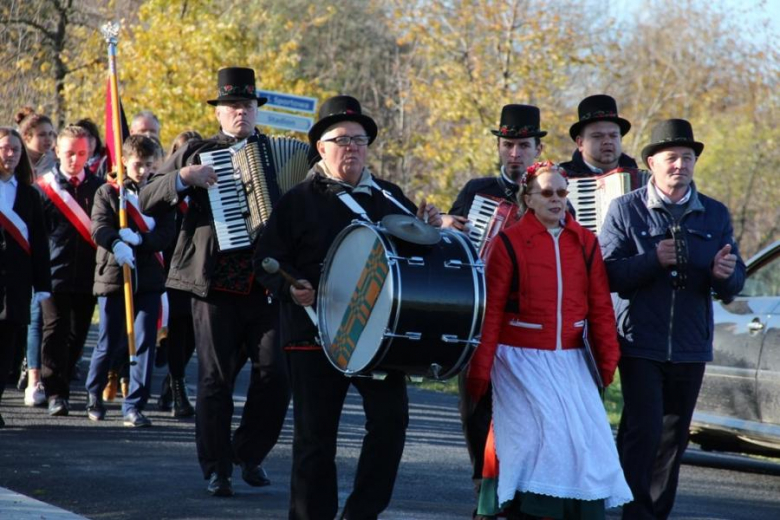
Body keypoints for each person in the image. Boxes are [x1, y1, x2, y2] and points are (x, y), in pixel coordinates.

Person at [255, 94, 442, 520]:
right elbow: (265, 261)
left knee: (391, 424)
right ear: (321, 147)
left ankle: (362, 513)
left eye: (360, 140)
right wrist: (291, 288)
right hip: (314, 334)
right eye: (342, 140)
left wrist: (430, 230)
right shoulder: (297, 200)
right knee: (315, 439)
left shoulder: (392, 197)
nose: (353, 147)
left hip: (379, 337)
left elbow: (415, 261)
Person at [139, 67, 290, 497]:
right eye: (232, 106)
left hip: (265, 288)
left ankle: (246, 451)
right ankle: (216, 467)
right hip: (214, 289)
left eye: (247, 105)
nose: (240, 112)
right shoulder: (196, 151)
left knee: (277, 376)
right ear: (220, 113)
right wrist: (183, 179)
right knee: (214, 381)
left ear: (257, 110)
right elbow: (146, 196)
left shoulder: (278, 154)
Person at [466, 161, 631, 519]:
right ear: (528, 198)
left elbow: (600, 306)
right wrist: (480, 370)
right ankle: (522, 509)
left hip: (570, 358)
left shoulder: (585, 242)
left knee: (586, 441)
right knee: (538, 439)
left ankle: (572, 510)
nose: (557, 199)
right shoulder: (507, 243)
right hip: (519, 356)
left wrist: (606, 362)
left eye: (561, 192)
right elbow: (491, 310)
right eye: (547, 193)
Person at [599, 119, 746, 520]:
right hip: (639, 342)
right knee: (644, 432)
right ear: (651, 163)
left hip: (690, 344)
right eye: (672, 158)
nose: (680, 165)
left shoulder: (714, 215)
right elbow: (607, 274)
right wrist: (652, 260)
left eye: (688, 158)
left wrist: (724, 275)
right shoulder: (625, 210)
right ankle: (635, 512)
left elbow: (734, 282)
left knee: (672, 439)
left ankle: (654, 513)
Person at [444, 104, 546, 509]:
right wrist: (446, 227)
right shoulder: (477, 190)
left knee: (523, 410)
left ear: (538, 148)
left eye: (523, 145)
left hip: (529, 319)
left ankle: (517, 493)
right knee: (476, 406)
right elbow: (453, 250)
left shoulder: (553, 191)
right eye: (508, 145)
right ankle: (482, 488)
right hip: (481, 314)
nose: (515, 154)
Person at [85, 135, 174, 426]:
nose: (143, 170)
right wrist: (115, 243)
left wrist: (141, 240)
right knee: (109, 341)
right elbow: (98, 227)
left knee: (145, 340)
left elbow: (166, 234)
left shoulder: (160, 193)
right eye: (138, 164)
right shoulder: (108, 193)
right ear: (124, 161)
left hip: (148, 279)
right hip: (114, 275)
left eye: (149, 164)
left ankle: (134, 405)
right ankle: (94, 394)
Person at [36, 125, 104, 416]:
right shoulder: (44, 189)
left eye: (81, 153)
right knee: (55, 329)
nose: (75, 160)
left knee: (78, 333)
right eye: (69, 154)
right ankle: (55, 392)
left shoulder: (100, 187)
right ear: (57, 152)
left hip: (89, 274)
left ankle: (65, 375)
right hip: (55, 272)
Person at [0, 127, 51, 427]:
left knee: (8, 347)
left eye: (15, 150)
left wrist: (42, 284)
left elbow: (40, 242)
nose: (10, 154)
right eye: (5, 148)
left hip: (17, 283)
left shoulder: (30, 194)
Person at [156, 130, 203, 417]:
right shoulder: (166, 189)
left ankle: (170, 385)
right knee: (177, 332)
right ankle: (178, 392)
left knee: (194, 337)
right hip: (171, 271)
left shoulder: (205, 190)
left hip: (198, 271)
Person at [560, 94, 638, 177]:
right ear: (580, 143)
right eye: (597, 136)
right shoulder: (562, 177)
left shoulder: (638, 176)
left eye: (613, 136)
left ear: (620, 139)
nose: (607, 141)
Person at [15, 107, 57, 176]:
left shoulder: (55, 161)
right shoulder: (14, 159)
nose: (48, 139)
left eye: (50, 134)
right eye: (42, 135)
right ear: (26, 136)